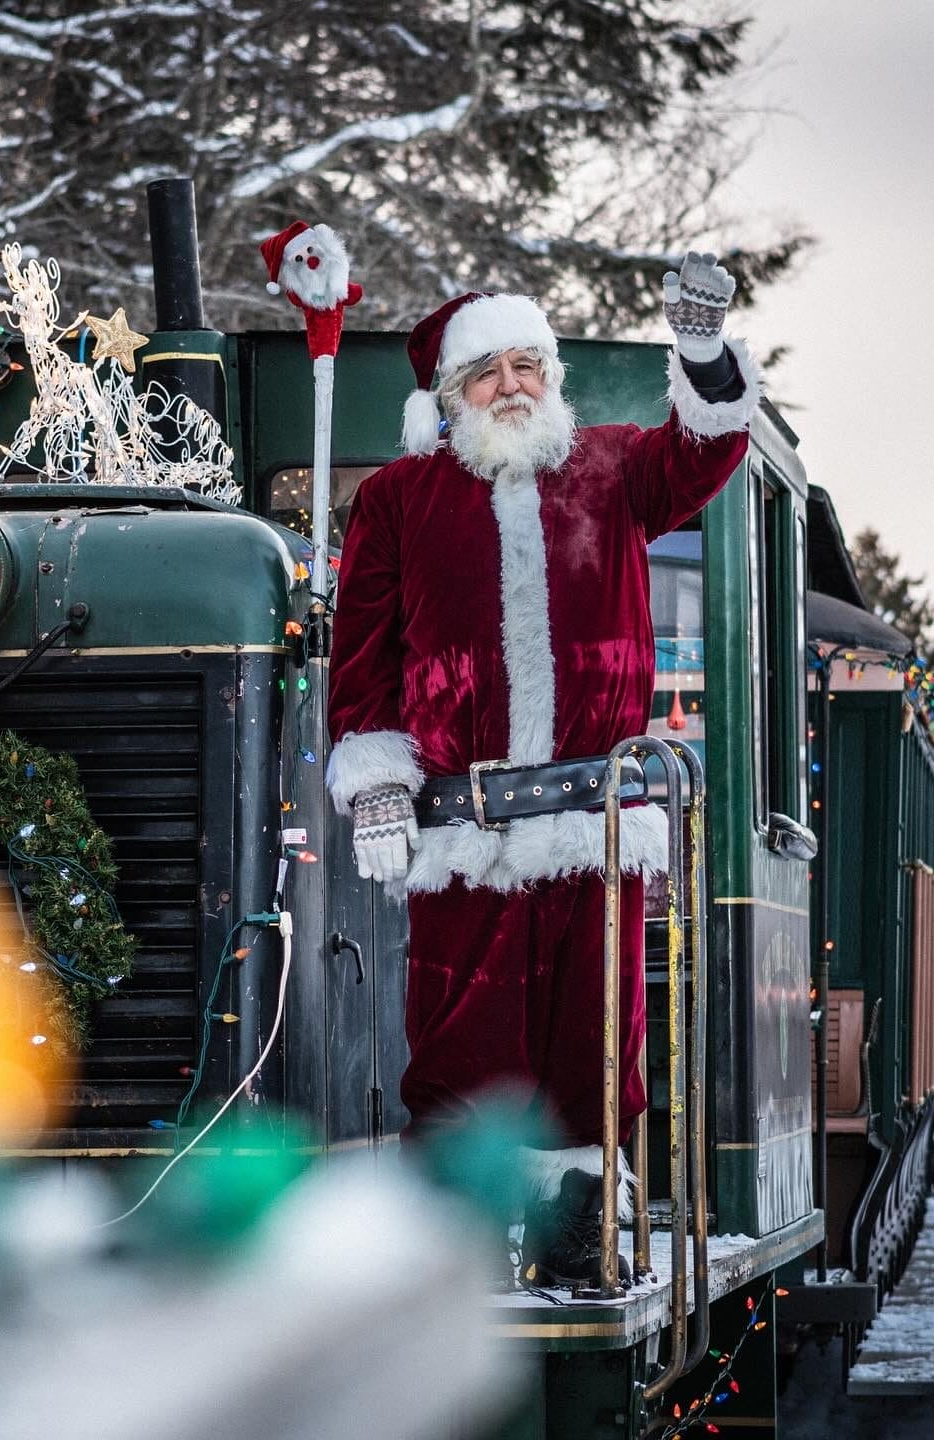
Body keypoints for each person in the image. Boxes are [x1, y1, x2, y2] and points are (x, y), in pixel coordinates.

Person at [324, 253, 758, 1285]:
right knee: (460, 1052)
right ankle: (451, 1258)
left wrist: (697, 346)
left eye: (530, 365)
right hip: (464, 833)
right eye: (488, 372)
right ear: (451, 395)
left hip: (597, 829)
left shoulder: (613, 469)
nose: (513, 385)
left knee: (589, 1050)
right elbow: (363, 656)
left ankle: (579, 1243)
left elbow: (707, 451)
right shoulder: (397, 501)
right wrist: (379, 781)